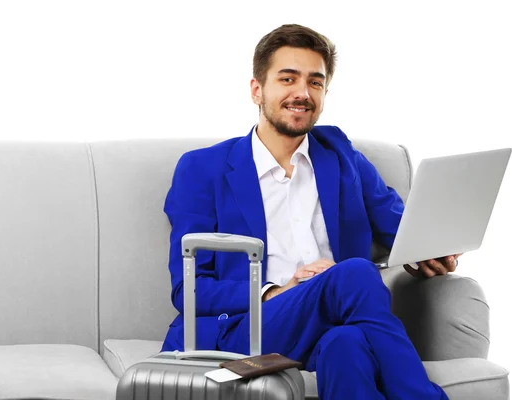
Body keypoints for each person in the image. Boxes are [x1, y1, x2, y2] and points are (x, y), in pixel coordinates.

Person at [162, 23, 460, 400]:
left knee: (347, 344)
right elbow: (189, 289)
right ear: (257, 89)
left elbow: (401, 227)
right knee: (352, 273)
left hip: (330, 326)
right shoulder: (202, 169)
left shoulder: (339, 154)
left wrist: (432, 247)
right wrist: (276, 291)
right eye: (288, 79)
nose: (302, 93)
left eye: (315, 83)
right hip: (246, 328)